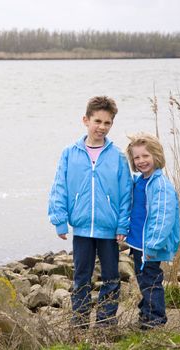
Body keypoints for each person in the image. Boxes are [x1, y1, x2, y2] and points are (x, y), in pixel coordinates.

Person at [48, 96, 132, 328]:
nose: (102, 127)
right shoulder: (70, 153)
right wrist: (60, 220)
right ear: (86, 120)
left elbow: (126, 193)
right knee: (81, 277)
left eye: (107, 123)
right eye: (97, 121)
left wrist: (122, 225)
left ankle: (106, 323)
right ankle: (80, 321)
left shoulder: (118, 156)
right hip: (82, 227)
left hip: (109, 229)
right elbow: (59, 187)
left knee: (111, 277)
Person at [125, 132, 180, 330]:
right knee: (143, 280)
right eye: (137, 157)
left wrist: (153, 245)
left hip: (149, 245)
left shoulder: (161, 185)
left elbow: (163, 217)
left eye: (145, 156)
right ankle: (146, 312)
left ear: (156, 155)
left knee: (151, 280)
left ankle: (155, 319)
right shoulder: (141, 181)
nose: (141, 161)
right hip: (138, 243)